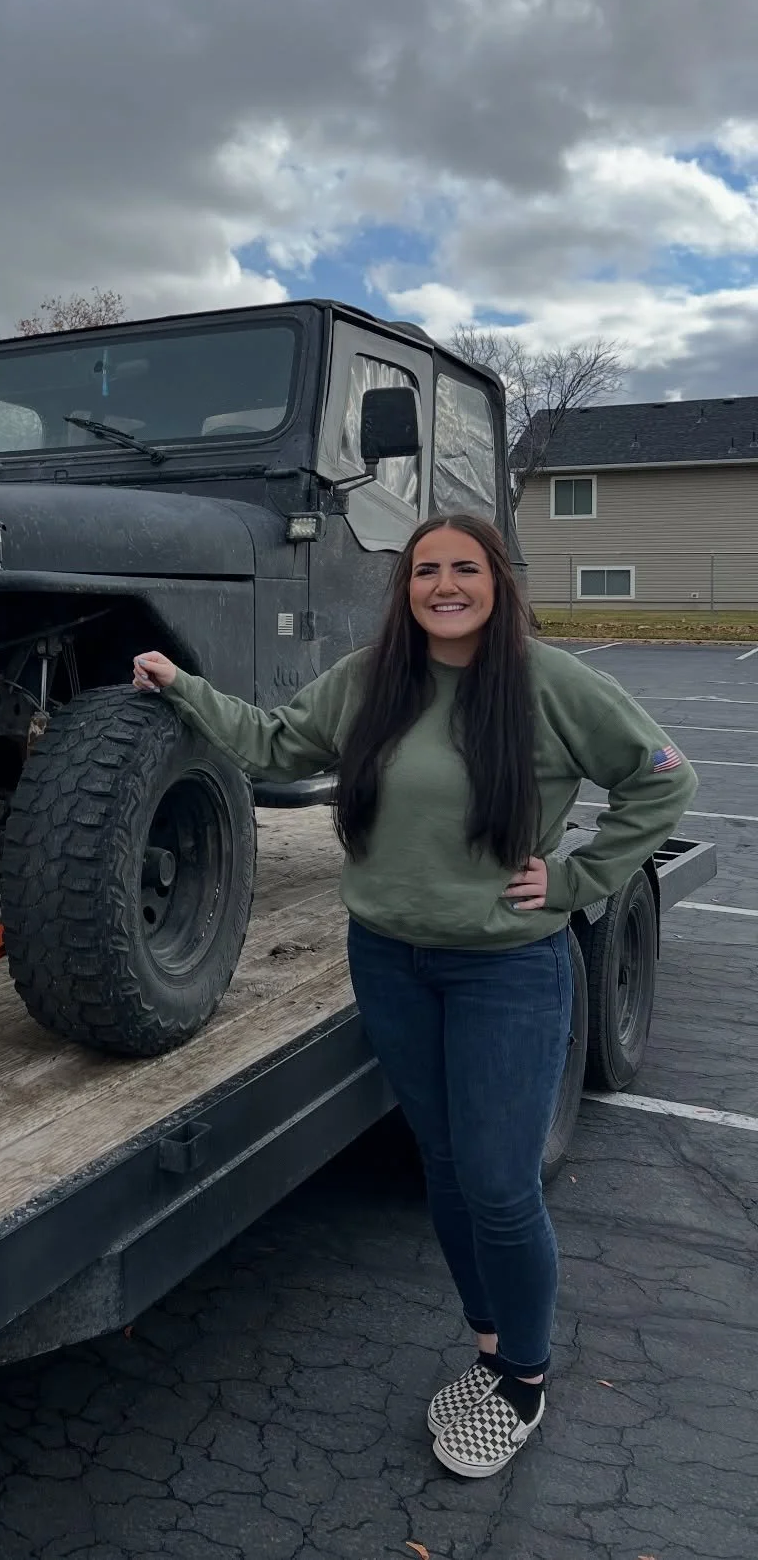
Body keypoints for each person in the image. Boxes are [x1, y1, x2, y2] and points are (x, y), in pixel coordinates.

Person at [131, 512, 696, 1480]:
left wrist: (575, 881)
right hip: (390, 959)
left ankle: (523, 1377)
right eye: (425, 570)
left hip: (506, 970)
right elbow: (274, 745)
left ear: (496, 582)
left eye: (464, 569)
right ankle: (487, 1346)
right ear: (405, 588)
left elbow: (663, 782)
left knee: (500, 1183)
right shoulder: (371, 679)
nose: (444, 585)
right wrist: (182, 688)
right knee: (442, 1164)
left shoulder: (550, 684)